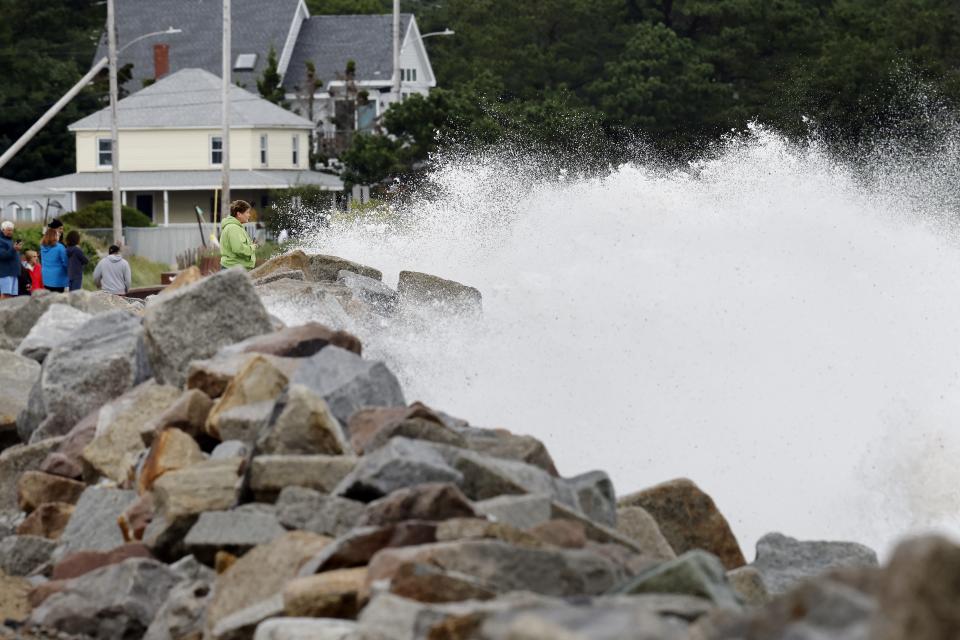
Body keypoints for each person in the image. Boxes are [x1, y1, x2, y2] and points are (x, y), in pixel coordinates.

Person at [219, 200, 258, 270]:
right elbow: (238, 249)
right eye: (247, 212)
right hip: (234, 271)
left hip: (234, 269)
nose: (249, 215)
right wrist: (252, 247)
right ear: (239, 214)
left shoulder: (236, 227)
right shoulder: (233, 228)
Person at [40, 226, 68, 292]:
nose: (59, 236)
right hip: (58, 278)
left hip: (46, 277)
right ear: (54, 236)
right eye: (57, 235)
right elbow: (65, 262)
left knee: (49, 297)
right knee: (58, 299)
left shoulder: (42, 246)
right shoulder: (60, 247)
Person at [0, 220, 23, 299]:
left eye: (12, 230)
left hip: (13, 272)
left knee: (11, 295)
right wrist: (14, 248)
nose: (11, 232)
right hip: (5, 273)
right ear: (2, 230)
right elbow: (2, 255)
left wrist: (16, 248)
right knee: (5, 294)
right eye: (8, 230)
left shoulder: (10, 240)